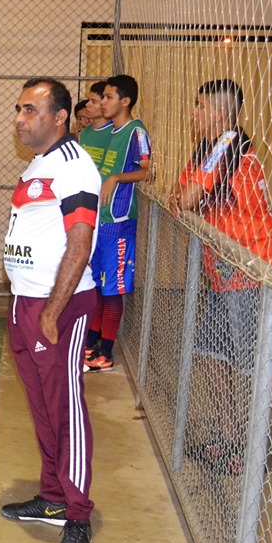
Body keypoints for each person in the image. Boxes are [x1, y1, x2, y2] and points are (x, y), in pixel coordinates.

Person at [0, 77, 101, 543]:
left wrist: (53, 312)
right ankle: (53, 496)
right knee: (40, 405)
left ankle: (77, 516)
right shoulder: (38, 164)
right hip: (24, 302)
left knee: (66, 410)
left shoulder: (75, 165)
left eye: (30, 110)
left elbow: (79, 245)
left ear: (59, 117)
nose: (20, 118)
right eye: (19, 109)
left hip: (58, 307)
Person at [169, 79, 272, 474]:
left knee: (250, 366)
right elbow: (176, 195)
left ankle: (251, 449)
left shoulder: (228, 146)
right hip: (226, 276)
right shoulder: (210, 149)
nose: (193, 113)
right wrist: (185, 196)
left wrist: (187, 196)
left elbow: (188, 198)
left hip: (252, 274)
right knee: (212, 356)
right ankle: (229, 436)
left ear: (220, 114)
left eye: (200, 106)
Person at [83, 74, 151, 372]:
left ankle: (106, 353)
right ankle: (93, 343)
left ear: (125, 101)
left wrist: (117, 177)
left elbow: (148, 171)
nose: (104, 102)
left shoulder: (136, 132)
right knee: (99, 286)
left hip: (119, 222)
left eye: (109, 97)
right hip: (101, 220)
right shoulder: (112, 132)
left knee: (112, 290)